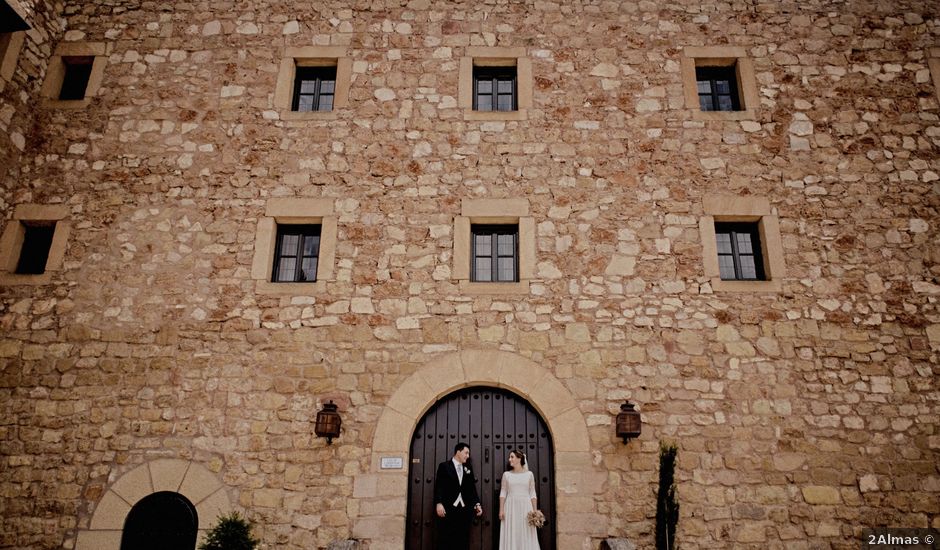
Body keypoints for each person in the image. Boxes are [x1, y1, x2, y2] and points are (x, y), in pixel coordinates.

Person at [434, 442, 482, 550]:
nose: (468, 456)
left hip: (464, 510)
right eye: (466, 453)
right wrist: (439, 503)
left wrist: (477, 504)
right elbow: (439, 486)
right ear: (458, 452)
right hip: (447, 509)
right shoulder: (444, 466)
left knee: (463, 540)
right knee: (446, 539)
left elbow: (471, 489)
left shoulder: (468, 468)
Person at [498, 449, 541, 550]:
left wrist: (535, 511)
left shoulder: (529, 474)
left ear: (519, 458)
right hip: (510, 507)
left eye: (512, 457)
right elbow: (503, 492)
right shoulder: (506, 475)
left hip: (526, 507)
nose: (509, 459)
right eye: (510, 457)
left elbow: (532, 493)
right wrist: (501, 510)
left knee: (525, 531)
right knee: (512, 531)